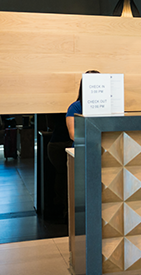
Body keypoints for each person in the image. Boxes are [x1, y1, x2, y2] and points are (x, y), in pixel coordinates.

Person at [45, 69, 99, 223]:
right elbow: (73, 134)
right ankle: (72, 217)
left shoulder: (105, 106)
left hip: (99, 151)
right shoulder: (75, 107)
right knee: (78, 188)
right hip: (82, 152)